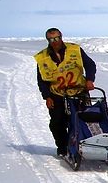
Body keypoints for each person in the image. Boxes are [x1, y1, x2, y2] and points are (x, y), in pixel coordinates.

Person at [34, 28, 96, 157]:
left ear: (61, 37)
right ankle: (63, 147)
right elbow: (42, 80)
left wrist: (90, 79)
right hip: (57, 94)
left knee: (84, 120)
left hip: (78, 91)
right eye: (51, 39)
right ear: (48, 40)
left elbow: (90, 65)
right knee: (57, 123)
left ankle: (86, 145)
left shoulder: (75, 50)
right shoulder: (42, 57)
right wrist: (47, 97)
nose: (54, 41)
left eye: (56, 38)